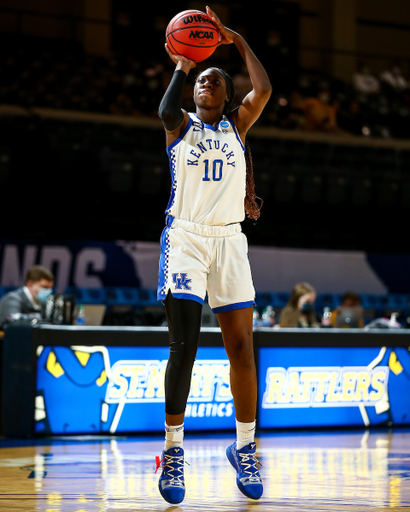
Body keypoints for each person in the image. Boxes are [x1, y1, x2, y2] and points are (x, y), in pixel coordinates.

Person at [155, 6, 271, 505]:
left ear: (225, 95)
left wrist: (236, 39)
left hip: (229, 242)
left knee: (242, 349)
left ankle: (244, 446)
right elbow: (163, 112)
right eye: (200, 80)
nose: (205, 84)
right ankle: (173, 452)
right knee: (185, 346)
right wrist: (183, 61)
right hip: (186, 238)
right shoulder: (180, 126)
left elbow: (263, 90)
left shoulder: (236, 127)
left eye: (213, 80)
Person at [0, 265, 54, 329]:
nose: (48, 291)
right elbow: (14, 325)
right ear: (30, 285)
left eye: (50, 288)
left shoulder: (44, 303)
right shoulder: (12, 300)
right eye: (44, 287)